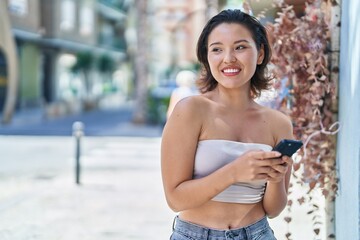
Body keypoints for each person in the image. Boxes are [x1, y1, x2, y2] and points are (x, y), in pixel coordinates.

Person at [161, 9, 294, 240]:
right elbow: (175, 199)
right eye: (217, 49)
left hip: (258, 233)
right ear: (207, 57)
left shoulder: (279, 123)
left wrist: (274, 179)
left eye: (240, 47)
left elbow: (274, 209)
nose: (229, 58)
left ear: (260, 54)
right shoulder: (190, 110)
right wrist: (234, 172)